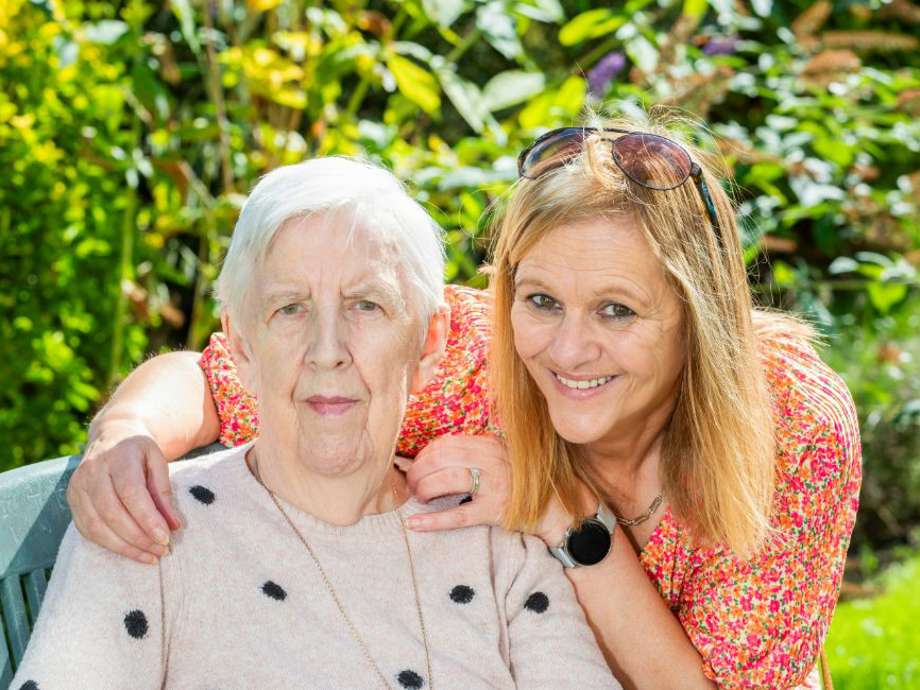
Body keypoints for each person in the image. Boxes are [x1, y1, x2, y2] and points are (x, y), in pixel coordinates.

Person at [69, 113, 861, 689]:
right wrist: (123, 432)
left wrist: (566, 511)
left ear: (700, 318)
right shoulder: (479, 357)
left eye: (617, 310)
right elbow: (216, 375)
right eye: (542, 298)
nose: (568, 349)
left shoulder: (792, 425)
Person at [12, 158, 619, 690]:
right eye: (290, 308)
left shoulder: (498, 549)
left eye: (367, 305)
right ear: (242, 346)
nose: (327, 349)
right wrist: (122, 428)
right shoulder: (144, 526)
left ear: (428, 341)